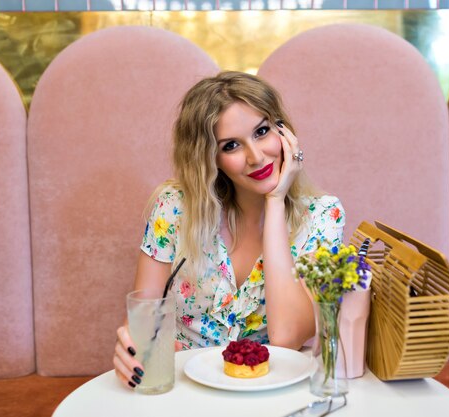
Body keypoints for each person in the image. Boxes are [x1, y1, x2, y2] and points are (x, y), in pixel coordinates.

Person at [113, 71, 345, 389]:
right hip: (184, 390)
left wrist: (276, 202)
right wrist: (131, 349)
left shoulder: (322, 216)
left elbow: (287, 337)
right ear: (211, 158)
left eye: (262, 131)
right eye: (232, 145)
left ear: (284, 132)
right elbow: (144, 314)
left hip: (272, 393)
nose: (256, 156)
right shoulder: (173, 207)